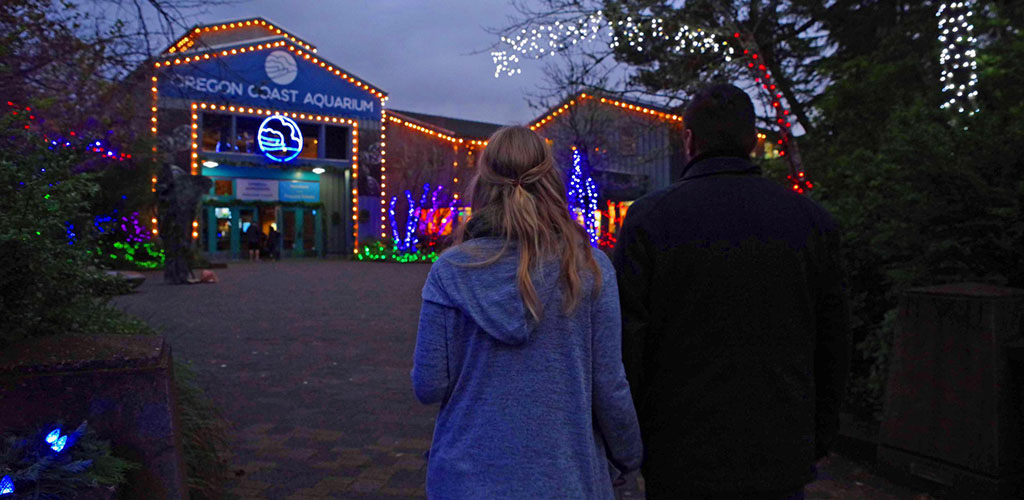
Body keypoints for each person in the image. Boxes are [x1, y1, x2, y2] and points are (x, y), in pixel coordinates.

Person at [612, 84, 851, 499]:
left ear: (689, 139)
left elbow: (628, 346)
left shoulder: (650, 220)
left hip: (679, 449)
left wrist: (634, 443)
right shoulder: (811, 221)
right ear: (754, 143)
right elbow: (834, 341)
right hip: (782, 444)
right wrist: (819, 434)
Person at [412, 126, 643, 499]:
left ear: (483, 183)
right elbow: (610, 387)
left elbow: (428, 384)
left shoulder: (451, 270)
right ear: (549, 181)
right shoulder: (589, 268)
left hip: (466, 478)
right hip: (567, 478)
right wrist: (629, 456)